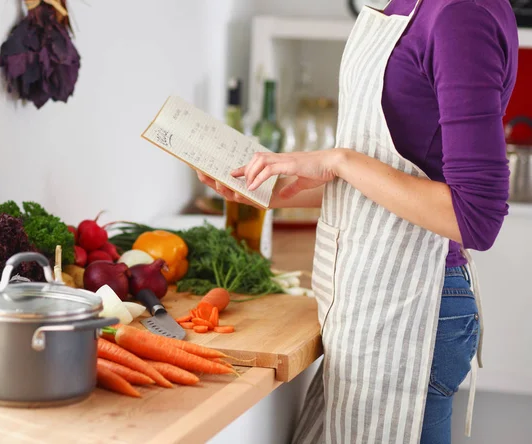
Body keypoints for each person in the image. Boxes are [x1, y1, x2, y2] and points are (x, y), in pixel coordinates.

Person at [198, 0, 518, 442]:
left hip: (413, 309)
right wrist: (278, 188)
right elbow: (403, 165)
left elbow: (475, 218)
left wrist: (339, 161)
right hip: (369, 303)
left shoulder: (462, 13)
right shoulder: (406, 7)